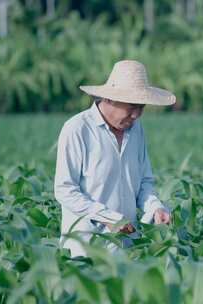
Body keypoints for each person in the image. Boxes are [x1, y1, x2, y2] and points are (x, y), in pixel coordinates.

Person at [54, 60, 175, 257]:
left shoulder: (136, 130)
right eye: (131, 106)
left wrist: (156, 208)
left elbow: (144, 183)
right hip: (84, 252)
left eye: (141, 107)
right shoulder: (77, 129)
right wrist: (107, 218)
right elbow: (65, 190)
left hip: (127, 251)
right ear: (109, 99)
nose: (136, 114)